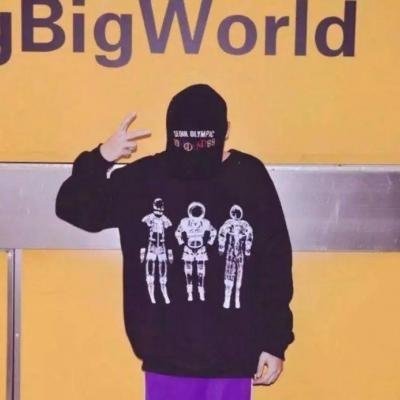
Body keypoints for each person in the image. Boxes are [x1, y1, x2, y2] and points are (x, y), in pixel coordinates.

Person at [55, 83, 295, 400]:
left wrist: (274, 340)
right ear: (226, 130)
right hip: (170, 358)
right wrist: (102, 157)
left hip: (228, 357)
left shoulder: (246, 177)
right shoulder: (144, 179)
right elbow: (72, 207)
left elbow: (274, 262)